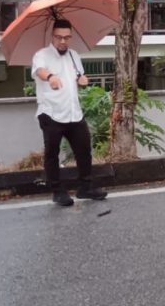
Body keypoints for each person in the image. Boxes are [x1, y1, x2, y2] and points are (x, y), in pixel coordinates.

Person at [32, 19, 108, 207]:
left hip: (74, 112)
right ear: (53, 36)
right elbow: (40, 71)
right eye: (59, 37)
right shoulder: (42, 55)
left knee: (84, 150)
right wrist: (50, 77)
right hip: (50, 113)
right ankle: (57, 191)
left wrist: (81, 79)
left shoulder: (74, 55)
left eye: (67, 37)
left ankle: (85, 188)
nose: (63, 41)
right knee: (52, 153)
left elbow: (76, 78)